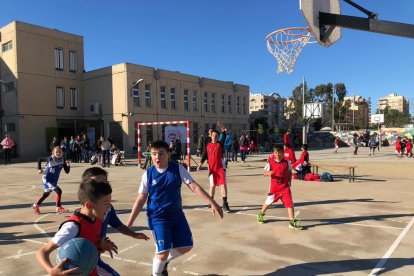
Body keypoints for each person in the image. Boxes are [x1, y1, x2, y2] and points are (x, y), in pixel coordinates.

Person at [126, 140, 223, 276]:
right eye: (154, 154)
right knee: (163, 252)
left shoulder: (177, 169)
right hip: (158, 217)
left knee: (186, 246)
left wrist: (213, 202)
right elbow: (141, 199)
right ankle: (157, 271)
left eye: (161, 154)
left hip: (177, 215)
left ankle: (163, 262)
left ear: (168, 155)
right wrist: (129, 223)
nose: (157, 157)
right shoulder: (147, 174)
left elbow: (194, 186)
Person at [36, 178, 118, 276]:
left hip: (91, 271)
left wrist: (100, 246)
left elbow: (87, 247)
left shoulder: (97, 218)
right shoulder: (72, 227)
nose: (109, 207)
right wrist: (51, 271)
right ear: (89, 205)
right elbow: (42, 252)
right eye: (106, 203)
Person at [81, 167, 149, 276]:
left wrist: (133, 234)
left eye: (104, 181)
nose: (102, 185)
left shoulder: (107, 208)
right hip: (85, 262)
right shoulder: (82, 218)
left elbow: (119, 225)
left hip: (94, 258)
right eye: (97, 182)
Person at [257, 145, 303, 230]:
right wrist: (270, 173)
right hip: (274, 187)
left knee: (290, 203)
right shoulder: (270, 162)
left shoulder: (287, 162)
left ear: (283, 153)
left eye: (280, 153)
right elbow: (265, 173)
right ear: (274, 153)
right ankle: (261, 214)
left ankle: (292, 222)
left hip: (285, 187)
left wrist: (289, 182)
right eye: (276, 153)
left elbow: (289, 172)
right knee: (268, 202)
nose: (278, 154)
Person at [197, 122, 231, 213]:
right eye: (213, 135)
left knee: (223, 185)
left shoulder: (220, 144)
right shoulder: (208, 145)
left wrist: (222, 127)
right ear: (210, 136)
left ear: (218, 137)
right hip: (212, 170)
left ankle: (225, 204)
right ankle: (211, 201)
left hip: (220, 168)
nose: (214, 137)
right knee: (212, 186)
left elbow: (224, 135)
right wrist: (200, 164)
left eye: (216, 136)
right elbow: (205, 155)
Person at [32, 146, 71, 215]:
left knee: (46, 194)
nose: (58, 153)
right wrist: (39, 169)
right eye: (57, 152)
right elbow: (39, 159)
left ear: (62, 153)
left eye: (60, 152)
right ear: (53, 153)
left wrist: (68, 165)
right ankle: (58, 207)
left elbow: (67, 171)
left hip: (53, 180)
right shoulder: (50, 159)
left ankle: (36, 206)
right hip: (47, 179)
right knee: (59, 191)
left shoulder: (62, 160)